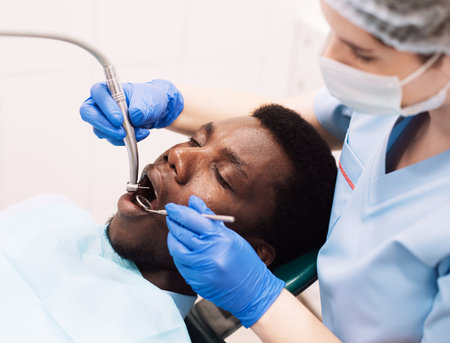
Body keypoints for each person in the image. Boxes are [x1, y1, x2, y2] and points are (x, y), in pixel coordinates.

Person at [80, 0, 450, 341]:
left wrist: (259, 297)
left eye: (361, 52)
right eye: (194, 141)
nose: (329, 56)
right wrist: (169, 103)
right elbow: (272, 129)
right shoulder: (396, 98)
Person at [0, 105, 336, 342]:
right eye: (195, 141)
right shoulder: (50, 211)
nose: (176, 155)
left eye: (221, 175)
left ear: (246, 251)